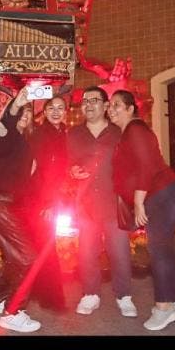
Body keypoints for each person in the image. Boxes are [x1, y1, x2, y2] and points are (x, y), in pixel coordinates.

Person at [108, 90, 175, 331]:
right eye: (110, 105)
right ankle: (173, 297)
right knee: (163, 246)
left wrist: (139, 200)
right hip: (161, 192)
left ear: (130, 108)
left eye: (117, 105)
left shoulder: (135, 129)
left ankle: (164, 307)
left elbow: (146, 166)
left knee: (158, 248)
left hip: (159, 192)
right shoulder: (128, 132)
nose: (111, 109)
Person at [68, 86, 135, 318]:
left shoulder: (119, 132)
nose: (88, 105)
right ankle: (90, 294)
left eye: (94, 100)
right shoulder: (74, 134)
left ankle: (124, 295)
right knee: (87, 251)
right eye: (85, 101)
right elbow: (68, 163)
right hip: (86, 203)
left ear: (106, 106)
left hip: (114, 202)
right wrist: (72, 170)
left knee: (120, 252)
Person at [0, 86, 42, 333]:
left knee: (14, 258)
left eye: (28, 113)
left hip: (8, 204)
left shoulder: (21, 141)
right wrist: (17, 102)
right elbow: (6, 120)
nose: (25, 116)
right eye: (21, 113)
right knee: (28, 258)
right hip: (1, 203)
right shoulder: (4, 133)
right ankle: (13, 313)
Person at [26, 95, 68, 311]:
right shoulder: (41, 134)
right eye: (52, 108)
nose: (56, 112)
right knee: (45, 246)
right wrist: (47, 203)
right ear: (44, 111)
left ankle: (40, 292)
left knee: (42, 245)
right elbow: (36, 168)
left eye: (60, 108)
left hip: (52, 195)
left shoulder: (62, 133)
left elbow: (60, 169)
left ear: (66, 112)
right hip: (40, 197)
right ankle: (51, 298)